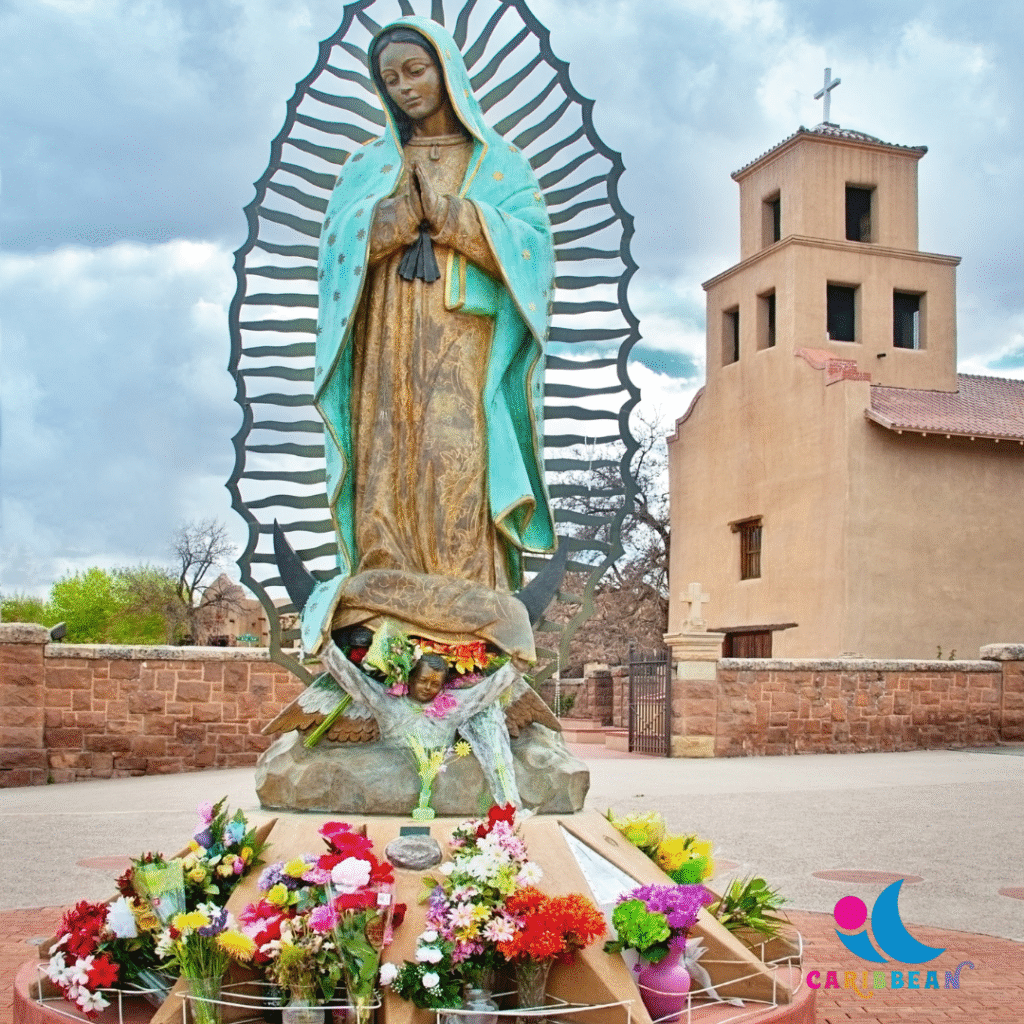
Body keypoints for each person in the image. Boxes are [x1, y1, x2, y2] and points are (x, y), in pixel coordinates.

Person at [299, 16, 556, 670]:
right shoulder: (368, 166)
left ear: (447, 71)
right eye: (391, 78)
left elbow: (535, 249)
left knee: (453, 459)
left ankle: (466, 614)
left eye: (417, 70)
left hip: (462, 344)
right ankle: (381, 602)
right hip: (384, 344)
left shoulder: (498, 164)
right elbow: (333, 253)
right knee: (386, 458)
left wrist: (453, 217)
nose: (406, 87)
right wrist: (384, 221)